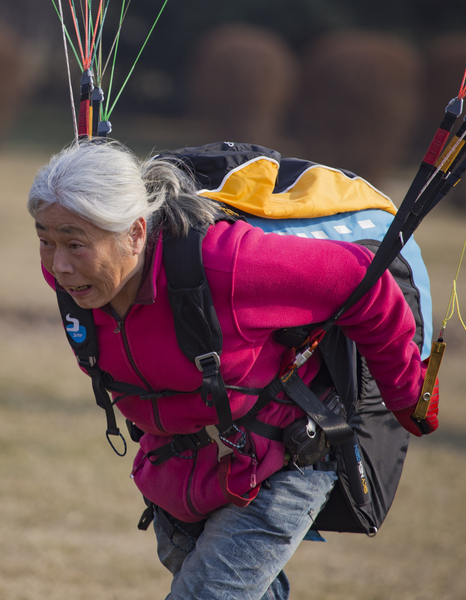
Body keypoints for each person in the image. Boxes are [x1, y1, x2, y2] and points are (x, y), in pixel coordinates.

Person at [27, 140, 438, 600]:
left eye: (75, 244)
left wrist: (408, 394)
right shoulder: (77, 279)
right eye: (46, 241)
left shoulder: (228, 263)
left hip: (280, 460)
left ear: (136, 234)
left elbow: (362, 282)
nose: (58, 266)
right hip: (178, 473)